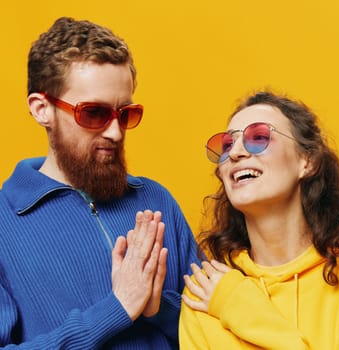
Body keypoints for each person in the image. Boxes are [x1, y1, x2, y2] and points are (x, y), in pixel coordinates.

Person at [0, 17, 199, 348]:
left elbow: (215, 333)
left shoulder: (157, 200)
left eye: (125, 114)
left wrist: (157, 307)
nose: (115, 131)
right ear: (41, 109)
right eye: (94, 113)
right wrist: (115, 309)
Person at [179, 91, 339, 349]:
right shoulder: (207, 290)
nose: (235, 153)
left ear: (308, 160)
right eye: (226, 146)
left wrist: (242, 308)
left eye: (258, 137)